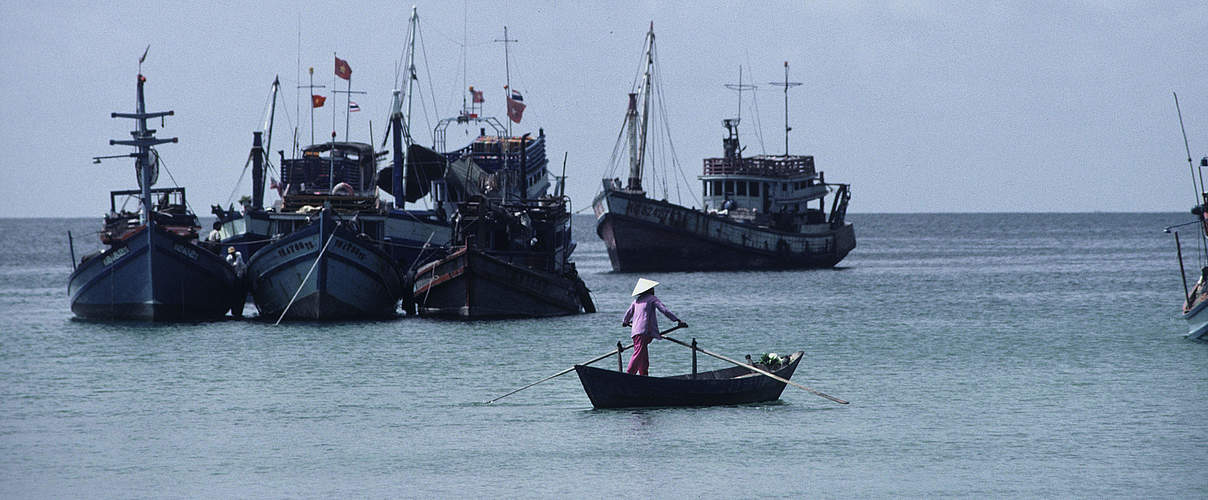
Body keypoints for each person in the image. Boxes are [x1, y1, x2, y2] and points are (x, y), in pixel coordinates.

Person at [621, 278, 687, 376]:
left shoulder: (636, 301)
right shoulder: (652, 299)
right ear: (649, 290)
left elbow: (628, 313)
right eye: (652, 288)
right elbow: (664, 310)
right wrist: (677, 320)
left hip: (635, 331)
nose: (653, 290)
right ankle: (629, 374)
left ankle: (643, 374)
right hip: (644, 331)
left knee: (642, 353)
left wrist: (625, 322)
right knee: (639, 353)